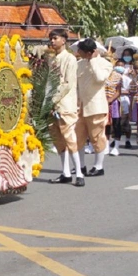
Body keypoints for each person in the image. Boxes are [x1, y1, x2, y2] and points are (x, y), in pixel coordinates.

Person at [47, 29, 84, 186]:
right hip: (52, 105)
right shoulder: (53, 60)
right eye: (51, 39)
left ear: (63, 40)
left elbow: (68, 83)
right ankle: (66, 172)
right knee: (58, 139)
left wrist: (54, 99)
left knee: (70, 138)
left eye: (55, 38)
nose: (52, 41)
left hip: (65, 104)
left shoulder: (70, 58)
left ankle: (80, 173)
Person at [76, 39, 113, 177]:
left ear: (89, 52)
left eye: (81, 51)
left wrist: (93, 61)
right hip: (80, 106)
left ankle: (98, 166)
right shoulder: (78, 64)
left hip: (96, 106)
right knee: (78, 137)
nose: (78, 53)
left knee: (97, 137)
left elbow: (99, 78)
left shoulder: (105, 64)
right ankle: (81, 165)